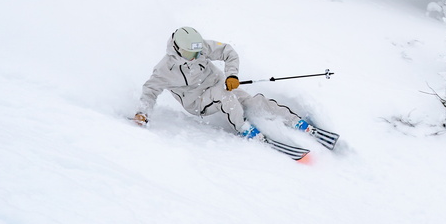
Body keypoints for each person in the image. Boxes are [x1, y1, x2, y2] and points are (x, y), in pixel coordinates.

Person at [132, 27, 333, 146]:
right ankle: (244, 128)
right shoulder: (164, 69)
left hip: (220, 84)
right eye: (191, 54)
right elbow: (149, 91)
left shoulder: (201, 48)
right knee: (227, 98)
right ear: (178, 49)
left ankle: (295, 122)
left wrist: (232, 75)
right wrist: (143, 112)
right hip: (198, 102)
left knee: (255, 101)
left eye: (199, 51)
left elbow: (228, 52)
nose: (197, 56)